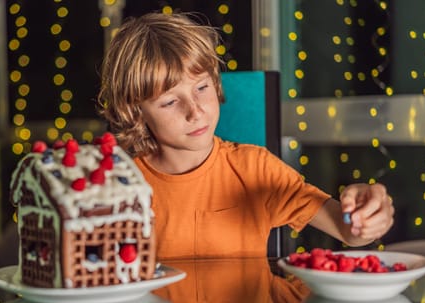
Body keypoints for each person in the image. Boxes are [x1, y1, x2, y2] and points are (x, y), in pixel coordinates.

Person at [97, 12, 394, 260]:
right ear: (135, 111)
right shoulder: (119, 186)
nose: (195, 111)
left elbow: (346, 232)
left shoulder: (256, 168)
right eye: (170, 101)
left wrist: (364, 217)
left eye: (201, 88)